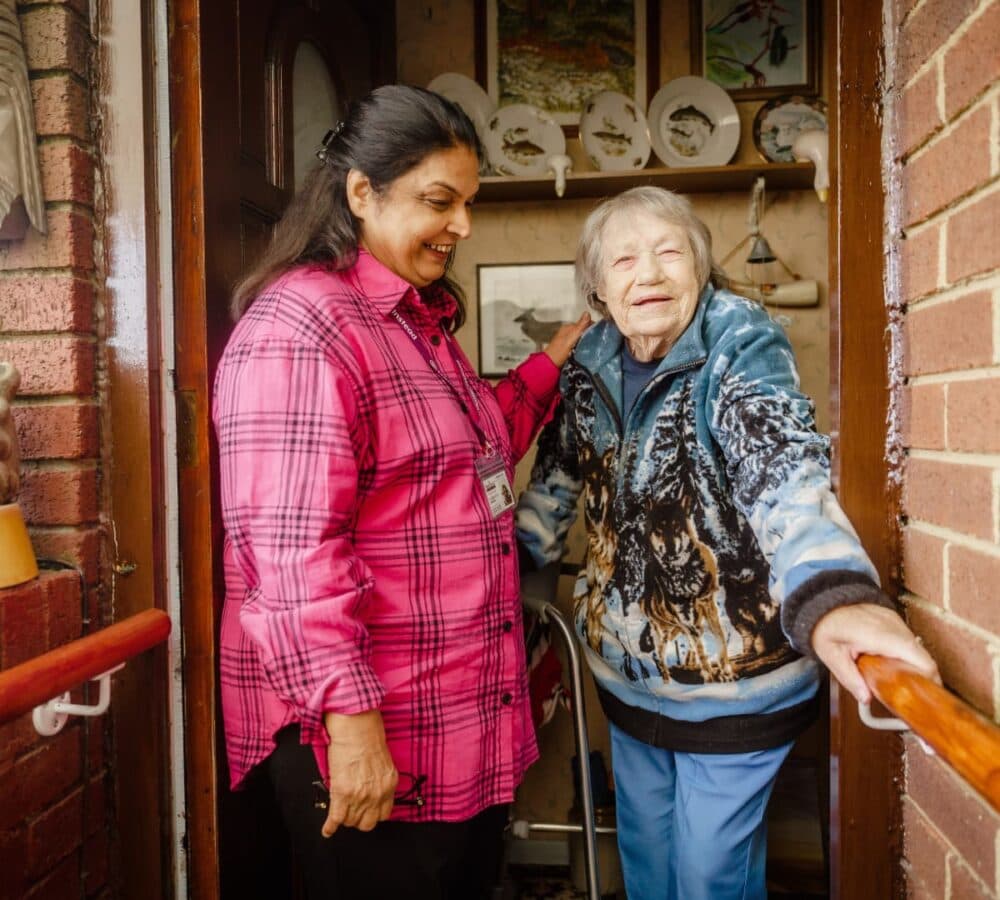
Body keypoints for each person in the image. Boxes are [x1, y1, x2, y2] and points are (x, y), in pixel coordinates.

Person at [213, 84, 589, 899]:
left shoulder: (411, 323)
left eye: (467, 202)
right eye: (439, 201)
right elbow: (291, 557)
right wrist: (350, 730)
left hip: (455, 725)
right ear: (361, 193)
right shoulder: (304, 329)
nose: (462, 224)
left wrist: (554, 358)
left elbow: (469, 452)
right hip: (371, 735)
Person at [515, 186, 939, 900]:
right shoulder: (588, 362)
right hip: (627, 673)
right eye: (624, 259)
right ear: (598, 286)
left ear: (700, 269)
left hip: (735, 678)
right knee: (648, 862)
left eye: (668, 252)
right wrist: (502, 569)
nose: (647, 273)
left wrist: (836, 595)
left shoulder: (739, 342)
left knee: (710, 876)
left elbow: (783, 468)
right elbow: (556, 482)